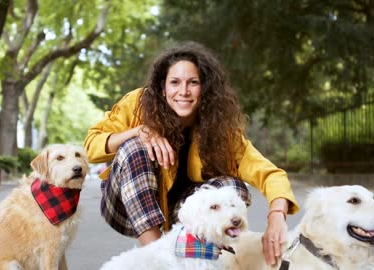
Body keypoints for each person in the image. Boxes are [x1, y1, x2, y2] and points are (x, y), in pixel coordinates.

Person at [84, 41, 299, 266]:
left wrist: (276, 216)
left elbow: (270, 174)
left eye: (193, 83)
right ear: (162, 87)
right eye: (175, 82)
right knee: (134, 146)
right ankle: (157, 257)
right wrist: (138, 131)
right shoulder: (138, 104)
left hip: (183, 215)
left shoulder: (222, 131)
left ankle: (200, 260)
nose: (183, 91)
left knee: (232, 187)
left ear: (204, 88)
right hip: (129, 204)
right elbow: (90, 145)